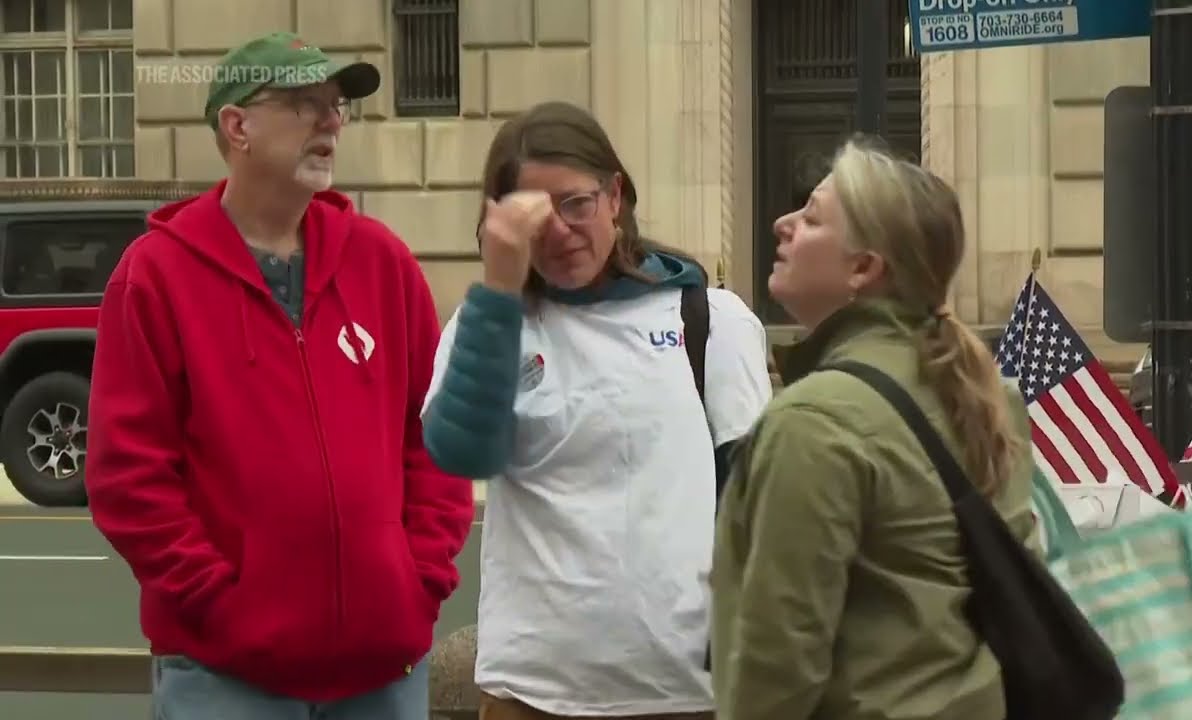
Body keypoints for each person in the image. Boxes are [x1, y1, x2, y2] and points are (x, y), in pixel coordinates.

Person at [85, 31, 474, 719]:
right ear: (237, 126)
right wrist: (219, 605)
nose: (332, 123)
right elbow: (128, 477)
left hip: (382, 671)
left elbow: (433, 440)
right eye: (305, 104)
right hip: (225, 677)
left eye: (337, 106)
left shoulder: (382, 263)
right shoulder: (156, 276)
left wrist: (418, 583)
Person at [420, 100, 774, 720]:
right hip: (535, 691)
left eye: (576, 204)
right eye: (533, 215)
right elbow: (461, 450)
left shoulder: (709, 319)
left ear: (615, 197)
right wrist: (499, 291)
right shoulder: (491, 325)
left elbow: (755, 499)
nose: (559, 231)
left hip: (686, 691)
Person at [709, 138, 1038, 720]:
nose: (782, 224)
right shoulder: (987, 396)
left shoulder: (813, 422)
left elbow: (778, 667)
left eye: (812, 219)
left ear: (864, 267)